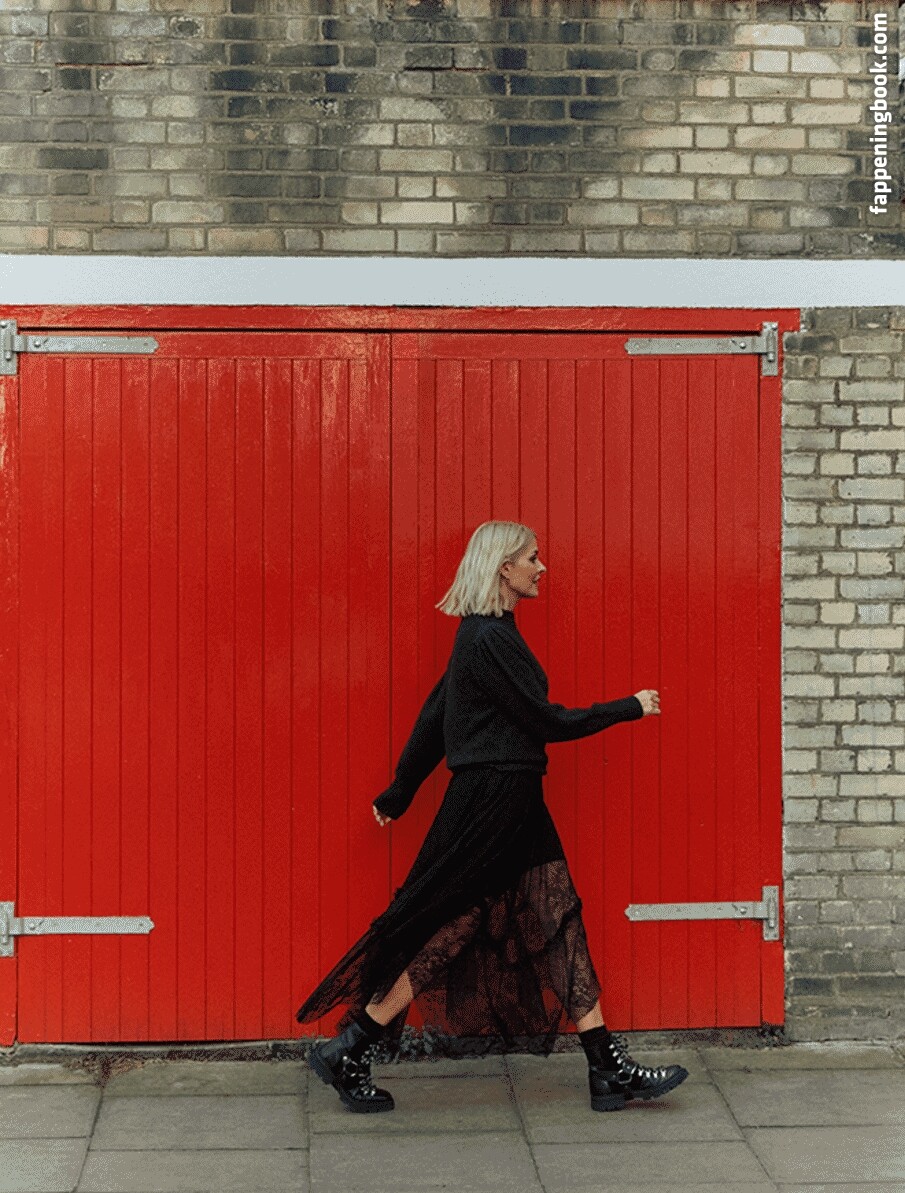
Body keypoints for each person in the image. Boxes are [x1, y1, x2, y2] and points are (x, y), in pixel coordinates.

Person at [297, 520, 689, 1114]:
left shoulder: (488, 634)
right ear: (505, 568)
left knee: (558, 916)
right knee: (448, 925)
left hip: (514, 796)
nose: (542, 567)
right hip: (492, 800)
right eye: (533, 557)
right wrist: (626, 708)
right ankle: (350, 1046)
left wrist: (400, 791)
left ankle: (606, 1069)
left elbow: (436, 715)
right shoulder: (486, 639)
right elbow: (543, 721)